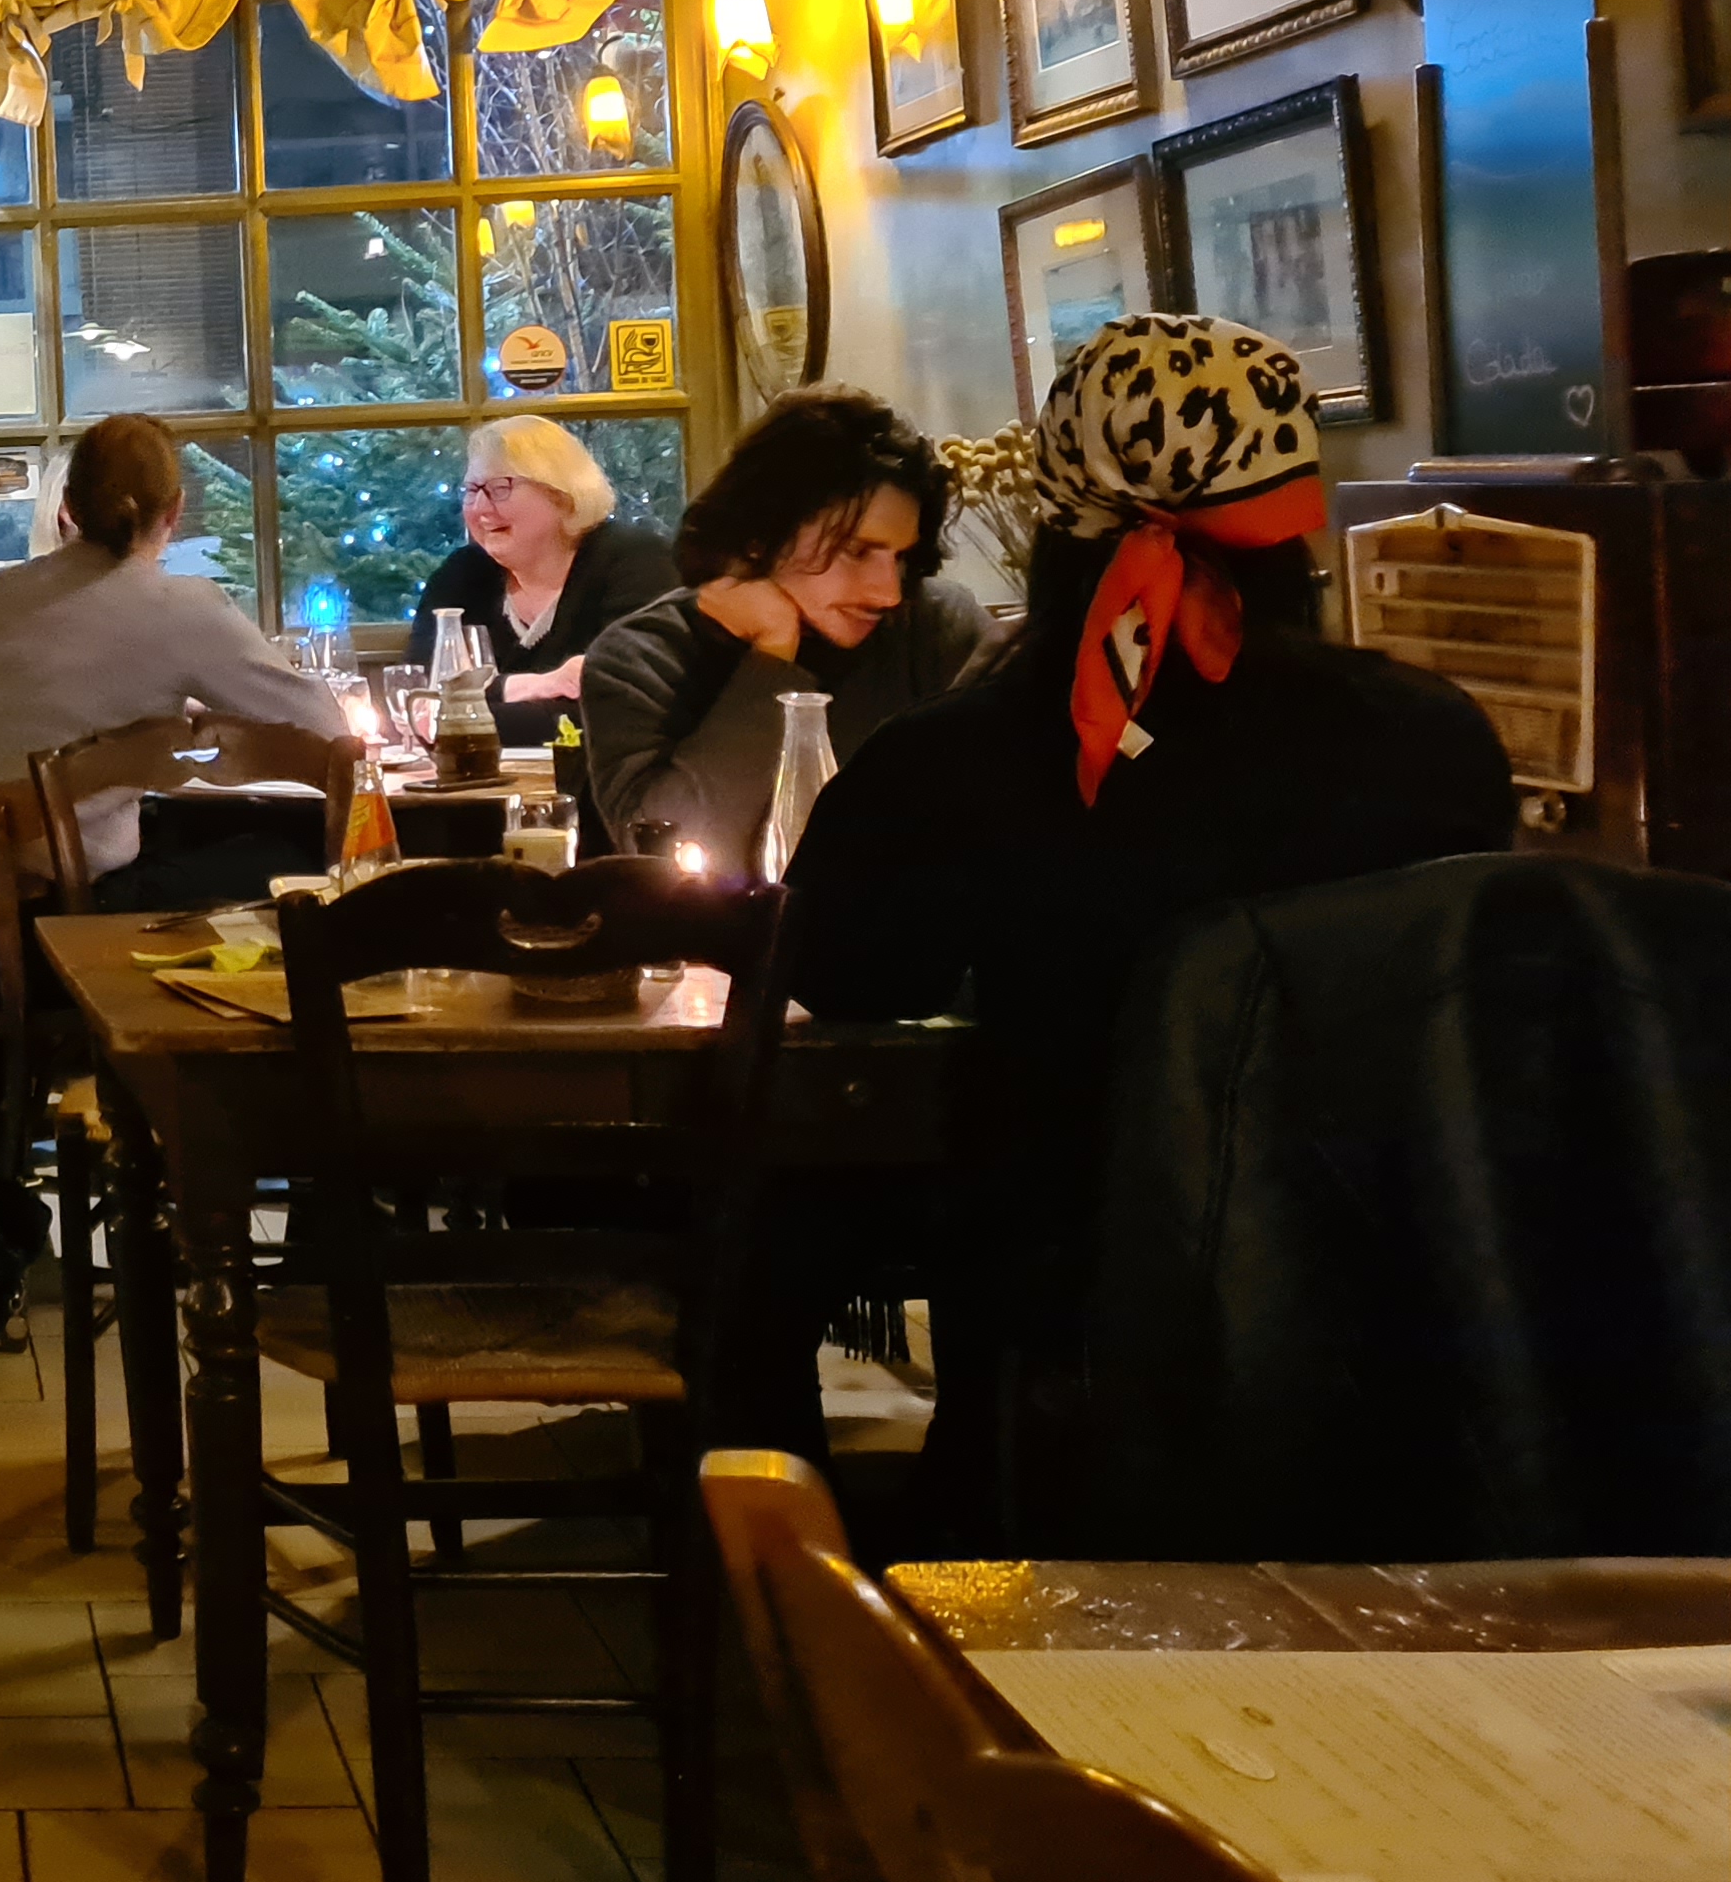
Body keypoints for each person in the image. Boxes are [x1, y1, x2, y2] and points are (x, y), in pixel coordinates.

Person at [766, 317, 1515, 1511]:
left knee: (778, 1238)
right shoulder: (1437, 738)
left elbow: (843, 972)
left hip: (1072, 1292)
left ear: (1057, 512)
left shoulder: (958, 758)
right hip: (1389, 1282)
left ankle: (784, 1541)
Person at [0, 414, 343, 907]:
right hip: (76, 901)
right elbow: (327, 730)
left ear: (70, 505)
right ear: (176, 510)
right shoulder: (180, 606)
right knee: (297, 855)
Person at [580, 386, 986, 866]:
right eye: (856, 551)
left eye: (900, 558)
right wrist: (771, 659)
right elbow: (667, 856)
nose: (888, 593)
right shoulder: (639, 660)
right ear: (759, 535)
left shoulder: (936, 630)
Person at [404, 416, 680, 746]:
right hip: (476, 774)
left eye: (499, 489)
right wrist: (541, 685)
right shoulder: (463, 572)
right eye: (472, 491)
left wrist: (468, 707)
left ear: (561, 496)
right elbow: (420, 699)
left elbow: (624, 711)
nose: (479, 508)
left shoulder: (636, 561)